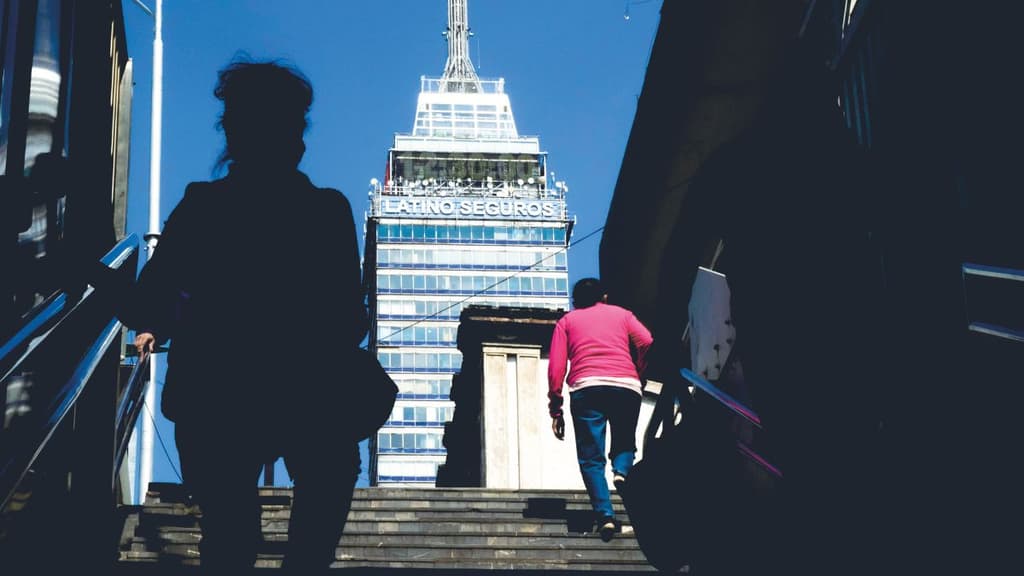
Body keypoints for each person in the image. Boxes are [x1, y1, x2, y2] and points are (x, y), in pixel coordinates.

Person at [126, 59, 368, 572]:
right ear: (294, 135)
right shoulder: (328, 211)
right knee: (326, 486)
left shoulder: (202, 206)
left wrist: (159, 319)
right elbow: (352, 317)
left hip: (216, 391)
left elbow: (151, 294)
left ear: (232, 132)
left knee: (229, 538)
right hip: (310, 390)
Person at [547, 277, 653, 542]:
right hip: (626, 385)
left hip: (586, 388)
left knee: (591, 457)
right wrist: (638, 370)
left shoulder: (567, 322)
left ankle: (605, 516)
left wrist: (556, 408)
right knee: (625, 441)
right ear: (604, 297)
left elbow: (557, 367)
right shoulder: (622, 315)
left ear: (575, 301)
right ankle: (621, 471)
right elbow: (647, 340)